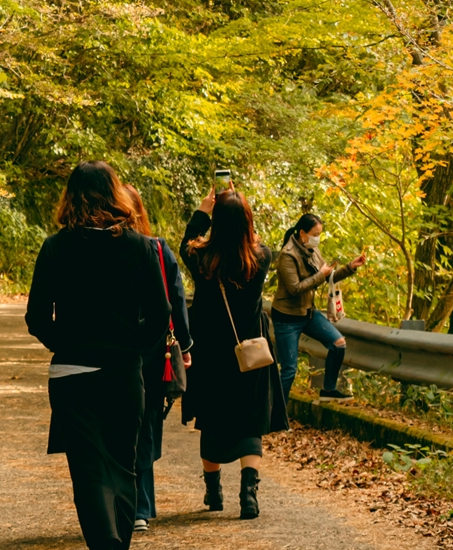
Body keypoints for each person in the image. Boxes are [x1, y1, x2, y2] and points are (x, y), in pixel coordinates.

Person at [25, 161, 170, 550]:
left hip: (71, 373)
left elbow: (35, 317)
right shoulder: (144, 248)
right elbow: (163, 315)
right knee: (124, 468)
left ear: (70, 197)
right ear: (116, 195)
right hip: (125, 374)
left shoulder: (55, 248)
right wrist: (136, 354)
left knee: (87, 472)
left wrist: (66, 343)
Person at [180, 187, 288, 520]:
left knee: (212, 419)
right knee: (249, 421)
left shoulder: (200, 257)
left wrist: (202, 212)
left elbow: (186, 242)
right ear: (247, 221)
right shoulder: (262, 256)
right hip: (249, 352)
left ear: (217, 221)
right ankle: (249, 493)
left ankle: (214, 492)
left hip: (211, 353)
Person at [121, 183, 192, 532]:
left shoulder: (107, 249)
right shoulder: (158, 249)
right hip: (154, 350)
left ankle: (129, 504)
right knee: (147, 424)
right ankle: (142, 507)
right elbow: (176, 300)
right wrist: (186, 346)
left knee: (122, 423)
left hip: (118, 347)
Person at [271, 211, 365, 405]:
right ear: (302, 233)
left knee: (338, 343)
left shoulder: (312, 250)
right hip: (287, 317)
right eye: (315, 234)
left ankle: (328, 390)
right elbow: (295, 288)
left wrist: (350, 267)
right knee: (289, 370)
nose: (317, 238)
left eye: (319, 234)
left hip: (307, 312)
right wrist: (320, 276)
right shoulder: (287, 255)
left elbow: (326, 276)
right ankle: (274, 414)